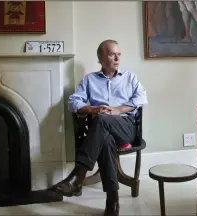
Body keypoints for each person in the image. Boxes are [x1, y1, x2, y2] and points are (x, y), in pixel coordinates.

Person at [48, 40, 148, 216]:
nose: (117, 58)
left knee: (102, 121)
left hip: (125, 127)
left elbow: (141, 99)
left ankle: (78, 176)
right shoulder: (89, 80)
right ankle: (112, 202)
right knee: (105, 139)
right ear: (100, 58)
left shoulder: (129, 78)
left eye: (119, 54)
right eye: (111, 54)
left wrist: (117, 110)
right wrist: (92, 109)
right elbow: (74, 102)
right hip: (102, 132)